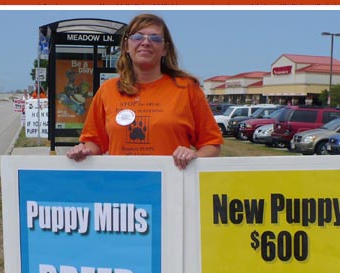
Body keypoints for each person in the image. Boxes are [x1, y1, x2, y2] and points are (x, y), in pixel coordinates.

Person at [66, 13, 223, 170]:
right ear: (127, 46)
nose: (146, 42)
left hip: (171, 188)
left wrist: (195, 157)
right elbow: (95, 143)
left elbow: (212, 144)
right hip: (123, 188)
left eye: (155, 38)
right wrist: (83, 151)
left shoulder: (187, 88)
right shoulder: (107, 90)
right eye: (138, 37)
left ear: (165, 49)